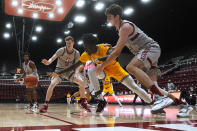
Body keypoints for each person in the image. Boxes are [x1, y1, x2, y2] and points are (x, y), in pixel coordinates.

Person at [94, 4, 193, 117]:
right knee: (155, 88)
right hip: (146, 52)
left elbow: (117, 53)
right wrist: (112, 47)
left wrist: (102, 66)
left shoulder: (125, 27)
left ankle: (160, 99)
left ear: (117, 16)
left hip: (150, 49)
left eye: (109, 16)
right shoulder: (120, 29)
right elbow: (117, 47)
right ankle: (183, 105)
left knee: (130, 67)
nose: (108, 19)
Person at [51, 33, 152, 113]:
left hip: (116, 70)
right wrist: (59, 72)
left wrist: (99, 59)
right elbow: (74, 66)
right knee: (91, 71)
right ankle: (101, 100)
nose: (85, 48)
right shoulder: (86, 54)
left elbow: (113, 55)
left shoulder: (103, 48)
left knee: (134, 87)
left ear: (92, 45)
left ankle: (152, 102)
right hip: (103, 73)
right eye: (84, 46)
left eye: (86, 46)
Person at [39, 36, 90, 113]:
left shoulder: (76, 53)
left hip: (69, 72)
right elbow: (52, 58)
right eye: (67, 43)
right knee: (52, 84)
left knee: (81, 82)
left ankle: (83, 102)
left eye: (69, 43)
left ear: (73, 43)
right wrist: (48, 62)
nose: (68, 45)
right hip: (59, 71)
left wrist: (76, 73)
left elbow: (77, 65)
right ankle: (45, 105)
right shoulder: (61, 50)